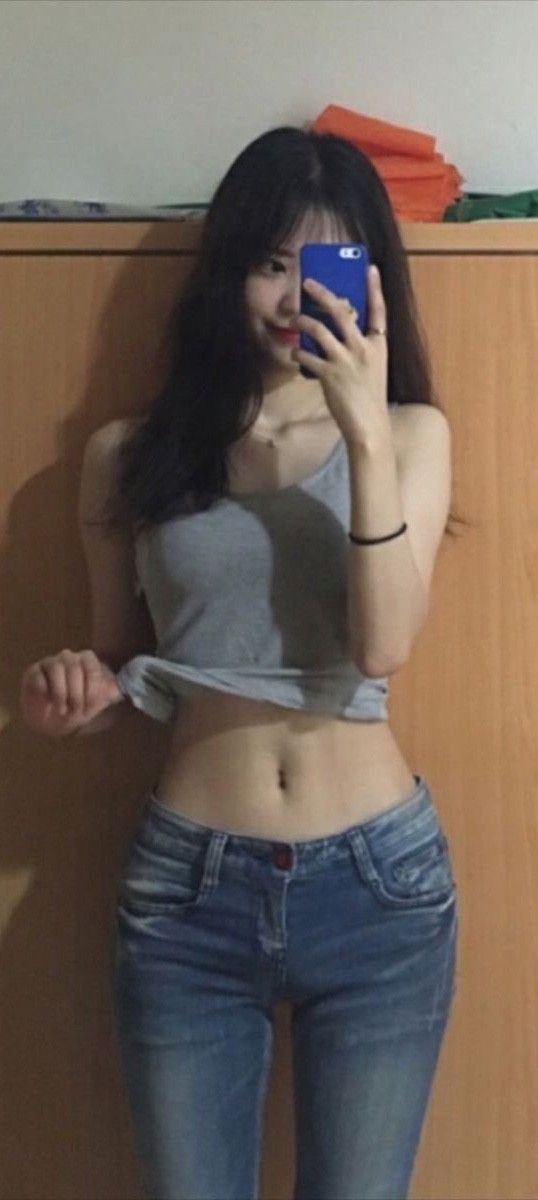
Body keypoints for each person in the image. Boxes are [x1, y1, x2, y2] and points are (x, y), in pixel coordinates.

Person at [20, 126, 460, 1200]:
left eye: (323, 265)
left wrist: (361, 432)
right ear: (226, 270)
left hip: (380, 887)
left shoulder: (409, 434)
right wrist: (73, 694)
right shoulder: (129, 455)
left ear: (370, 280)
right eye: (268, 262)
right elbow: (123, 665)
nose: (292, 297)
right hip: (189, 891)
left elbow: (382, 647)